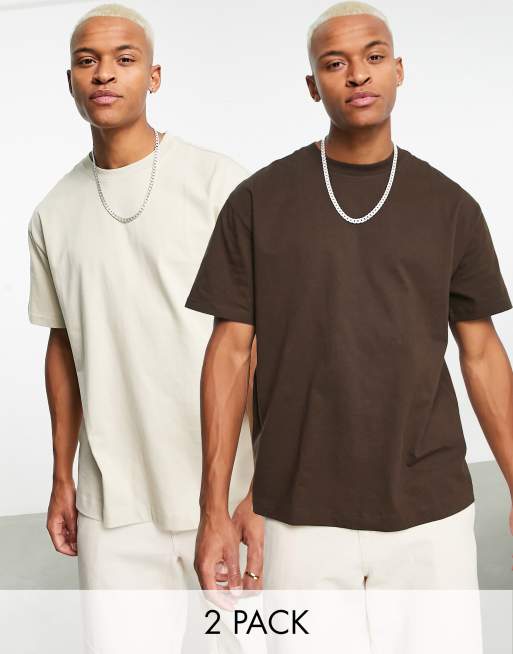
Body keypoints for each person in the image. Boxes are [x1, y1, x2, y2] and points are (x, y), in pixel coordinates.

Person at [185, 1, 513, 651]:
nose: (357, 74)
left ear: (398, 70)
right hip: (297, 517)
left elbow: (481, 353)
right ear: (313, 86)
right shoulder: (257, 202)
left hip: (430, 515)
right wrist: (213, 509)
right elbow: (230, 352)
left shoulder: (450, 206)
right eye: (334, 63)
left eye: (373, 57)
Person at [27, 3, 261, 651]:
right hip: (115, 504)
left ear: (153, 76)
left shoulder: (219, 184)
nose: (104, 73)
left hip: (230, 488)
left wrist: (264, 489)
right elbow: (62, 346)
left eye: (124, 59)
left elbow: (268, 340)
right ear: (70, 80)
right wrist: (62, 477)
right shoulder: (51, 214)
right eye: (87, 61)